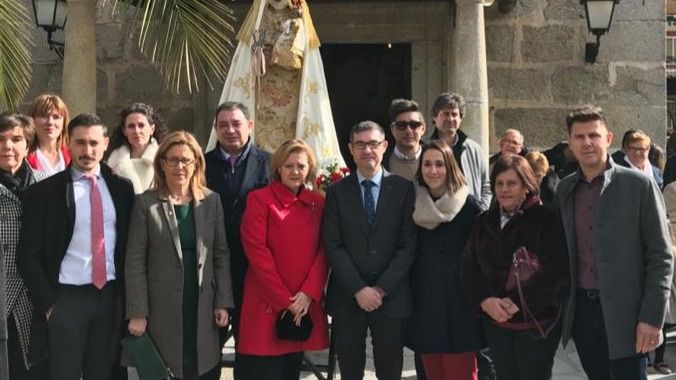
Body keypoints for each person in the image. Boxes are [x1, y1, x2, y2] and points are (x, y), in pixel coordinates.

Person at [557, 105, 673, 380]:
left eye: (594, 135)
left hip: (628, 314)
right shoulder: (565, 189)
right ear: (570, 143)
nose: (587, 143)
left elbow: (661, 255)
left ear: (608, 138)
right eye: (580, 136)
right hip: (584, 313)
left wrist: (652, 317)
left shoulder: (638, 186)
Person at [17, 113, 135, 380]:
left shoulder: (122, 189)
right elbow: (28, 255)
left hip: (110, 297)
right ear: (68, 142)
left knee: (103, 373)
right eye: (80, 143)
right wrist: (48, 303)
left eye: (94, 143)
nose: (87, 150)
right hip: (66, 299)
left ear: (106, 143)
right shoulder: (44, 193)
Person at [125, 131, 233, 379]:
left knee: (200, 367)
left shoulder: (211, 201)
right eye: (172, 160)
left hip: (201, 304)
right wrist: (137, 311)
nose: (179, 166)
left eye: (186, 160)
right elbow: (134, 262)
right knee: (164, 370)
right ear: (162, 163)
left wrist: (223, 301)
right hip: (160, 307)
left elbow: (220, 254)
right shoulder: (146, 203)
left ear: (197, 163)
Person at [322, 121, 417, 380]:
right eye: (361, 144)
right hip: (348, 296)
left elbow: (407, 245)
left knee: (390, 370)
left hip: (391, 297)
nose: (367, 150)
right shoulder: (336, 192)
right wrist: (358, 289)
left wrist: (380, 289)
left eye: (373, 144)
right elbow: (333, 244)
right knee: (350, 370)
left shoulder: (403, 189)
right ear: (351, 149)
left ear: (384, 147)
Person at [462, 154, 570, 380]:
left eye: (512, 183)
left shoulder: (545, 220)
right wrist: (485, 300)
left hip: (535, 325)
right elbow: (469, 268)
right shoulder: (484, 221)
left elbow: (558, 274)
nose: (504, 189)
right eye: (499, 183)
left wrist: (518, 303)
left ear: (526, 186)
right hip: (496, 324)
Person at [237, 139, 329, 379]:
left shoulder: (317, 202)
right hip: (267, 301)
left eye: (301, 166)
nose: (295, 171)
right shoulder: (260, 199)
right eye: (289, 166)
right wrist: (284, 300)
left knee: (291, 371)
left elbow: (324, 250)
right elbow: (257, 251)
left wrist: (308, 293)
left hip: (303, 303)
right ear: (278, 168)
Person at [405, 140, 483, 380]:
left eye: (440, 164)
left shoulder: (468, 206)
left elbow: (481, 257)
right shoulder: (411, 205)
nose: (433, 170)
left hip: (460, 307)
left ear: (450, 167)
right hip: (426, 306)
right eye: (427, 164)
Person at [204, 102, 270, 366]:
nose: (230, 130)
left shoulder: (270, 163)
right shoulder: (201, 164)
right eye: (223, 125)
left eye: (236, 123)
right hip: (211, 266)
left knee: (250, 344)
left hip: (252, 267)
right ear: (215, 129)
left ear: (250, 126)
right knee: (209, 342)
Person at [0, 113, 47, 379]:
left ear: (27, 146)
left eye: (16, 139)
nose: (8, 146)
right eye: (1, 139)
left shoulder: (47, 185)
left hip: (34, 303)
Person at [430, 92, 491, 210]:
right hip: (436, 218)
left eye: (454, 114)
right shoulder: (425, 147)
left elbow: (486, 185)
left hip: (470, 218)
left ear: (460, 118)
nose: (450, 118)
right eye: (445, 114)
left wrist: (482, 209)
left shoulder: (474, 149)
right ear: (434, 117)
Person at [107, 103, 167, 193]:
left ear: (152, 129)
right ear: (124, 131)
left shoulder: (163, 159)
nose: (136, 131)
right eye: (131, 126)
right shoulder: (113, 162)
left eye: (141, 125)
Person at [26, 94, 71, 176]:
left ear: (64, 122)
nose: (50, 122)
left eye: (56, 117)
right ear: (32, 120)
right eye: (44, 116)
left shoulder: (72, 155)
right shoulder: (24, 157)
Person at [382, 98, 426, 181]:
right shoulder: (380, 161)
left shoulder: (438, 158)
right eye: (401, 125)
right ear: (392, 129)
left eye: (414, 125)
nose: (408, 131)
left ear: (423, 129)